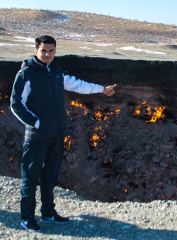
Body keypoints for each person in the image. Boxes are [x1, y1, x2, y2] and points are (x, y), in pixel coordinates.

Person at [10, 35, 116, 232]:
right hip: (37, 136)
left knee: (50, 175)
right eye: (44, 50)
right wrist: (37, 123)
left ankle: (48, 213)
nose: (48, 54)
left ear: (55, 51)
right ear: (36, 51)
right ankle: (26, 218)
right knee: (30, 176)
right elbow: (16, 104)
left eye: (51, 51)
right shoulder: (26, 74)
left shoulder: (57, 72)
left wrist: (102, 89)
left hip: (57, 134)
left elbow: (79, 85)